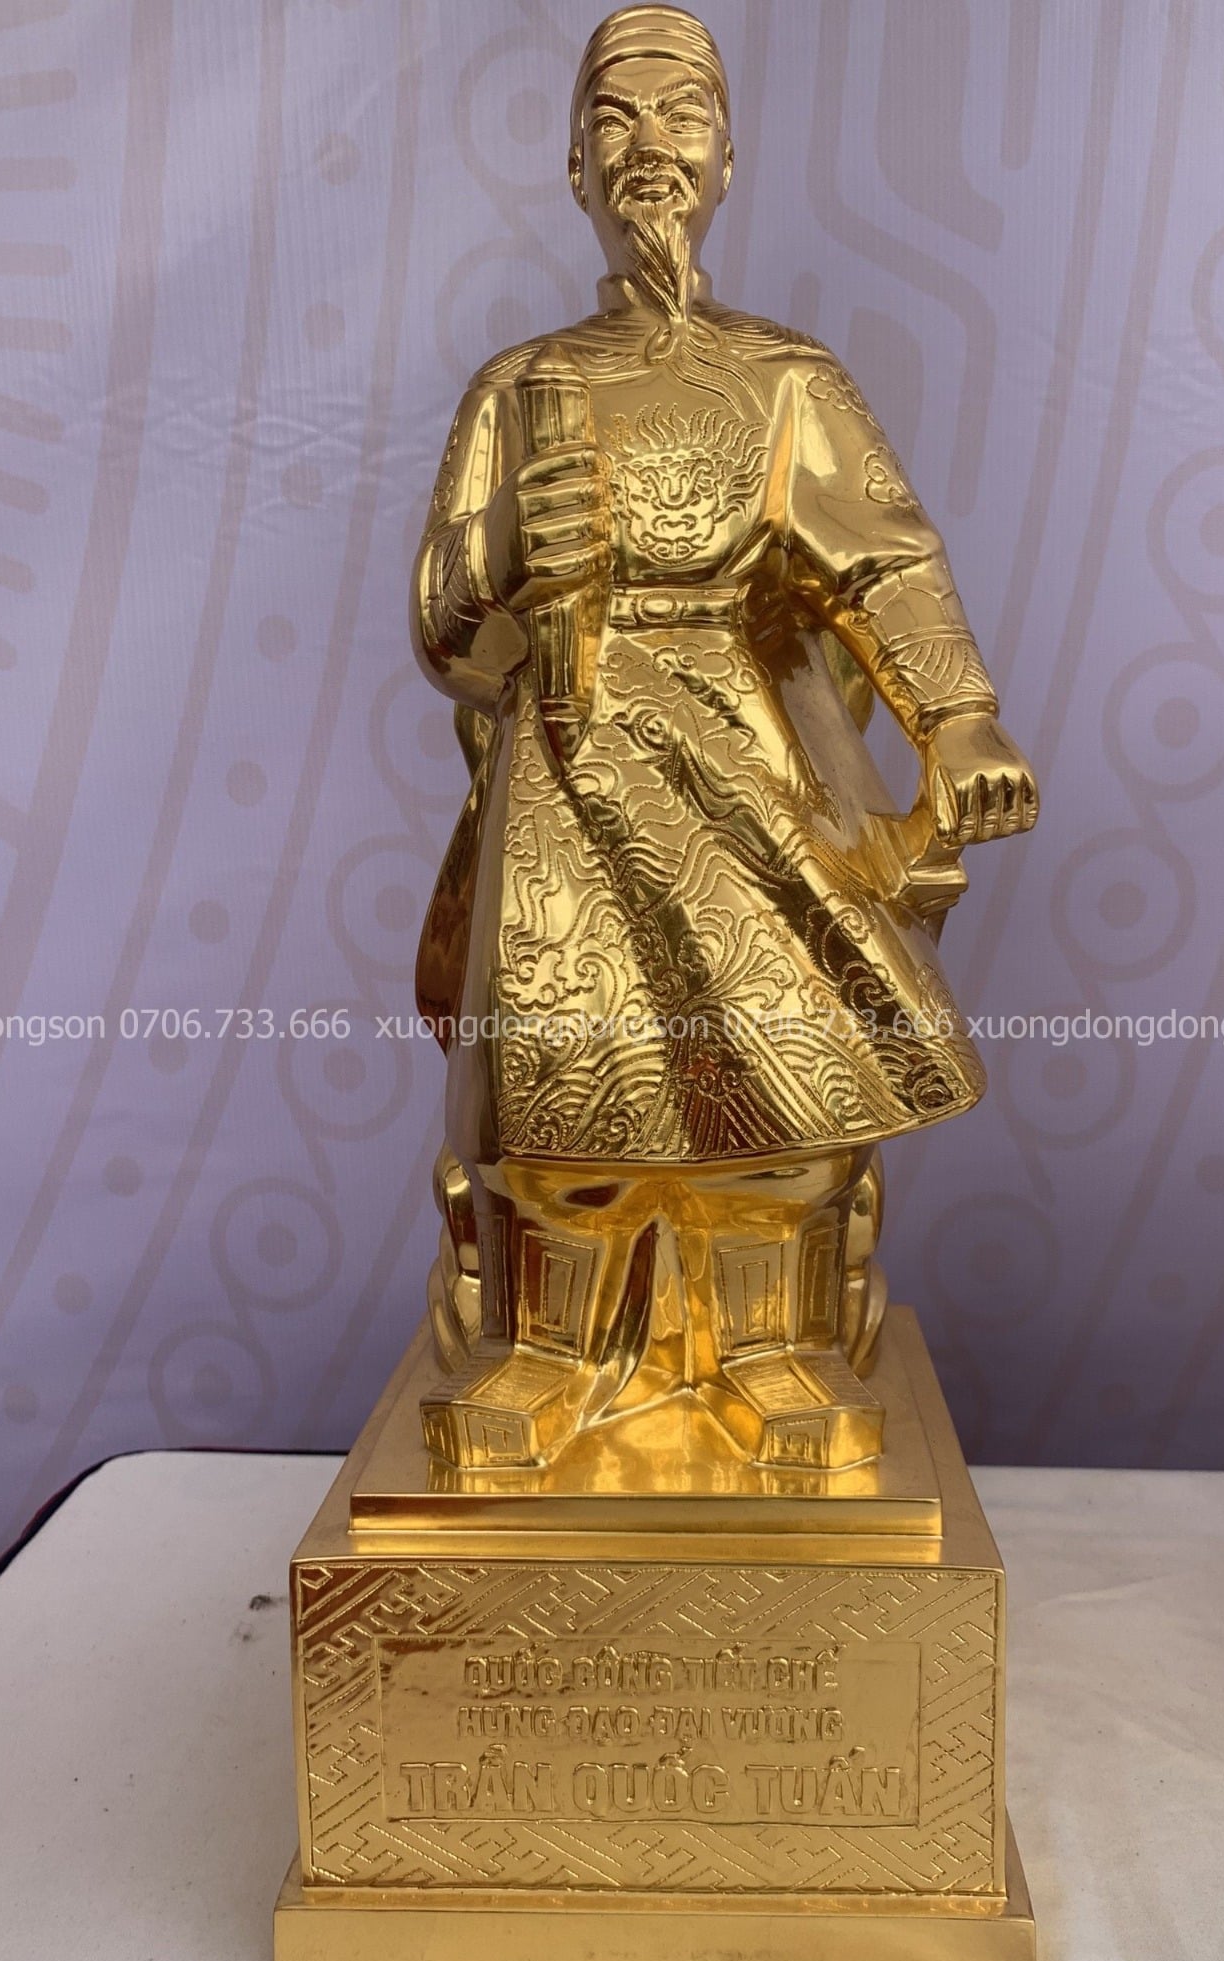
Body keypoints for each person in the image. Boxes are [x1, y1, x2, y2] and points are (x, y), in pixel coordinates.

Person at [411, 5, 1038, 1472]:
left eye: (682, 113)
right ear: (575, 167)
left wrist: (959, 719)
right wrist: (505, 556)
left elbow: (884, 565)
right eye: (615, 117)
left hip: (755, 768)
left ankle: (769, 1348)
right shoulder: (517, 388)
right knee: (565, 1085)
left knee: (778, 1080)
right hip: (567, 774)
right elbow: (445, 626)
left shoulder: (787, 380)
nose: (650, 145)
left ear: (730, 157)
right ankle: (547, 1354)